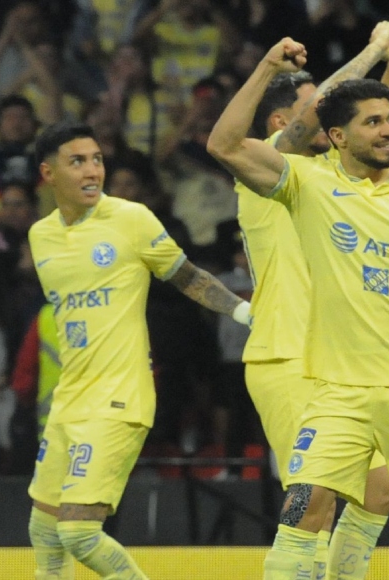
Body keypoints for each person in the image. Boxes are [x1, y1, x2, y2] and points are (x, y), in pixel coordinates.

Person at [207, 38, 389, 579]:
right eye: (372, 123)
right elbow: (226, 143)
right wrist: (275, 60)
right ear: (334, 134)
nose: (388, 129)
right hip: (326, 381)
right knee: (303, 509)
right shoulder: (301, 179)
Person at [25, 121, 251, 579]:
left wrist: (245, 313)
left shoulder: (132, 219)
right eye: (78, 162)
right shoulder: (40, 236)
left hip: (118, 397)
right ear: (49, 174)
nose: (92, 171)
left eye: (97, 160)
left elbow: (188, 276)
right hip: (70, 400)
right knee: (43, 530)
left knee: (78, 534)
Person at [235, 23, 389, 579]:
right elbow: (332, 107)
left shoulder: (332, 173)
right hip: (285, 357)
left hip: (337, 363)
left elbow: (376, 116)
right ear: (283, 124)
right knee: (313, 499)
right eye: (311, 109)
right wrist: (372, 51)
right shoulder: (265, 168)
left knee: (381, 488)